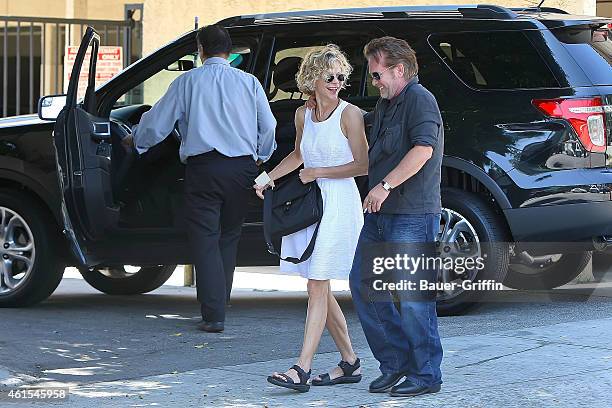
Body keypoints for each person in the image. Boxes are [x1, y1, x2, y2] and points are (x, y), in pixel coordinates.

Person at [127, 25, 277, 333]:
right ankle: (220, 303)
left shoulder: (187, 82)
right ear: (230, 50)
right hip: (241, 169)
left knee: (206, 239)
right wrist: (260, 157)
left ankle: (214, 314)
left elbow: (158, 123)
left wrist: (136, 141)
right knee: (229, 236)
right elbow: (270, 126)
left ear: (200, 49)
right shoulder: (249, 82)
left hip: (203, 170)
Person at [254, 44, 368, 392]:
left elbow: (362, 165)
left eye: (340, 77)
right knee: (316, 283)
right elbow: (299, 154)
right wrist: (269, 176)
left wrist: (319, 170)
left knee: (317, 283)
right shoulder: (304, 114)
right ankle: (349, 361)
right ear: (313, 79)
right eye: (329, 76)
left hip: (339, 204)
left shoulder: (350, 114)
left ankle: (301, 367)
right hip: (312, 204)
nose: (336, 82)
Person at [349, 36, 444, 397]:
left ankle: (425, 374)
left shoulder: (420, 100)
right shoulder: (389, 103)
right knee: (363, 284)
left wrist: (384, 186)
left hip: (411, 214)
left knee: (413, 298)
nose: (374, 82)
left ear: (399, 69)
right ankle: (396, 364)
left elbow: (423, 150)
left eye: (377, 75)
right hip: (380, 216)